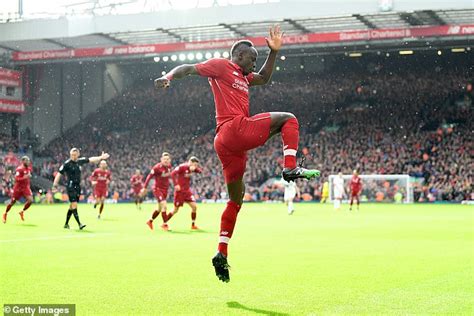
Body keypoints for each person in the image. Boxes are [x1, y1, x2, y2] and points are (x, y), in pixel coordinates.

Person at [153, 25, 320, 282]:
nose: (254, 64)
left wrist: (272, 52)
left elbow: (264, 78)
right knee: (289, 120)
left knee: (236, 199)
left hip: (228, 145)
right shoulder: (221, 66)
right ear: (239, 55)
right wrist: (169, 76)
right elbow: (188, 69)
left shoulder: (244, 76)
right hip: (233, 129)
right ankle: (289, 167)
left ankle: (221, 252)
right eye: (251, 59)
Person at [52, 148, 110, 230]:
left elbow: (91, 159)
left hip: (77, 186)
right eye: (72, 155)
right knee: (74, 205)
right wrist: (54, 185)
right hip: (71, 186)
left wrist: (100, 157)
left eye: (75, 155)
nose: (73, 156)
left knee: (72, 206)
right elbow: (59, 174)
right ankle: (79, 224)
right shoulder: (67, 164)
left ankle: (66, 224)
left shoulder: (80, 161)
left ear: (78, 154)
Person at [165, 156, 202, 229]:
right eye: (194, 164)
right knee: (175, 210)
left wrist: (196, 169)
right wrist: (176, 185)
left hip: (187, 191)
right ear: (190, 162)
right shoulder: (182, 167)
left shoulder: (192, 168)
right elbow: (172, 174)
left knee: (194, 207)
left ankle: (193, 225)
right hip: (180, 191)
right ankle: (164, 223)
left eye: (196, 165)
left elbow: (200, 171)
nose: (195, 166)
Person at [143, 152, 172, 231]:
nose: (166, 161)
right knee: (164, 206)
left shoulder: (169, 166)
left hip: (165, 189)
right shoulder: (156, 167)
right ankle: (165, 224)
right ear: (161, 159)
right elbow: (149, 176)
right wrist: (145, 187)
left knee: (159, 209)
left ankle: (150, 221)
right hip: (157, 189)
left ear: (170, 160)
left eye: (167, 159)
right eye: (164, 159)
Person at [2, 156, 33, 223]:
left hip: (25, 188)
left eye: (28, 160)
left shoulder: (29, 168)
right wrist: (25, 177)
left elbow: (27, 176)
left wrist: (28, 178)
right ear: (23, 161)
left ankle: (22, 211)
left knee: (30, 200)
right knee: (12, 202)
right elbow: (16, 179)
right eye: (26, 161)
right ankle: (5, 213)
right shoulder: (19, 169)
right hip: (18, 189)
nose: (28, 162)